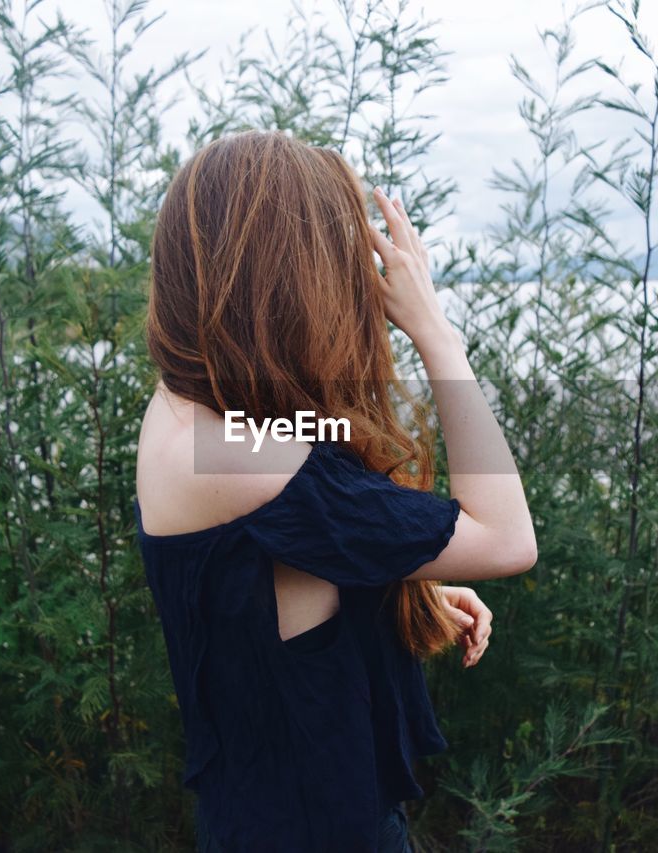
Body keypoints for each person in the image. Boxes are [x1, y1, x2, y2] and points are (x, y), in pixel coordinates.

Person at [133, 129, 536, 852]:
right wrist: (437, 334)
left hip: (258, 816)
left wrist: (394, 581)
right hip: (320, 827)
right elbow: (507, 536)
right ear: (295, 282)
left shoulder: (182, 411)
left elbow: (263, 571)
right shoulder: (242, 458)